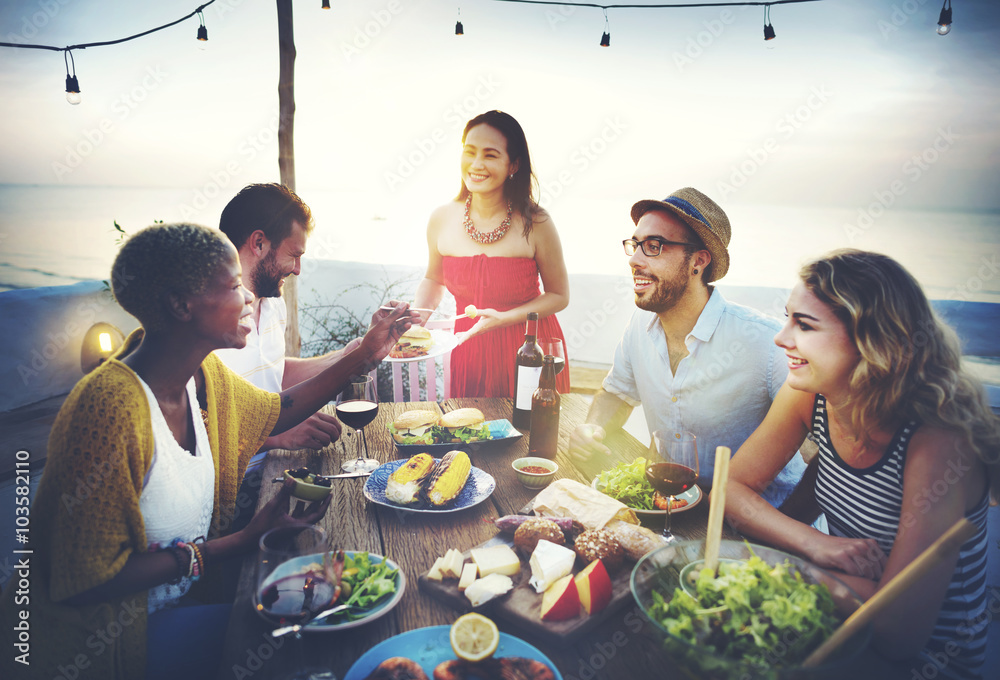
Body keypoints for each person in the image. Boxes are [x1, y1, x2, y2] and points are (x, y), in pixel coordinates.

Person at [0, 223, 414, 680]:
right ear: (181, 305)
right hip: (109, 644)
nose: (250, 297)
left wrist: (364, 353)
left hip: (183, 602)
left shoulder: (204, 376)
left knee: (339, 608)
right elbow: (82, 579)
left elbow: (275, 412)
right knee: (318, 643)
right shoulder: (107, 410)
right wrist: (229, 545)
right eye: (235, 285)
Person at [724, 249, 998, 678]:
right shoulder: (810, 394)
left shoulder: (940, 442)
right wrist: (815, 543)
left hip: (927, 663)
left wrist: (789, 568)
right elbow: (730, 487)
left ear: (872, 342)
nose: (782, 338)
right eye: (787, 318)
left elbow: (898, 628)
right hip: (838, 621)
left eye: (804, 325)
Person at [567, 187, 806, 507]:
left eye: (654, 246)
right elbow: (617, 393)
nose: (635, 260)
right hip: (673, 503)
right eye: (635, 245)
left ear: (698, 261)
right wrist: (593, 426)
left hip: (761, 523)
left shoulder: (765, 341)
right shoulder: (640, 327)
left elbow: (815, 423)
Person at [413, 110, 571, 397]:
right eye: (469, 152)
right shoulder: (441, 218)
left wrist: (506, 318)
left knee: (532, 437)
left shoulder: (537, 222)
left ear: (514, 164)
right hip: (468, 347)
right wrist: (414, 321)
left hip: (529, 348)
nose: (476, 164)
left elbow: (559, 295)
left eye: (490, 155)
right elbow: (433, 280)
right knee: (468, 435)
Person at [216, 182, 354, 453]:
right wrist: (276, 436)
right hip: (231, 487)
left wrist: (350, 355)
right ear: (259, 243)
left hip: (277, 470)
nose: (298, 269)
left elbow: (274, 372)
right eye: (294, 255)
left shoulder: (274, 305)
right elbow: (196, 428)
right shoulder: (207, 321)